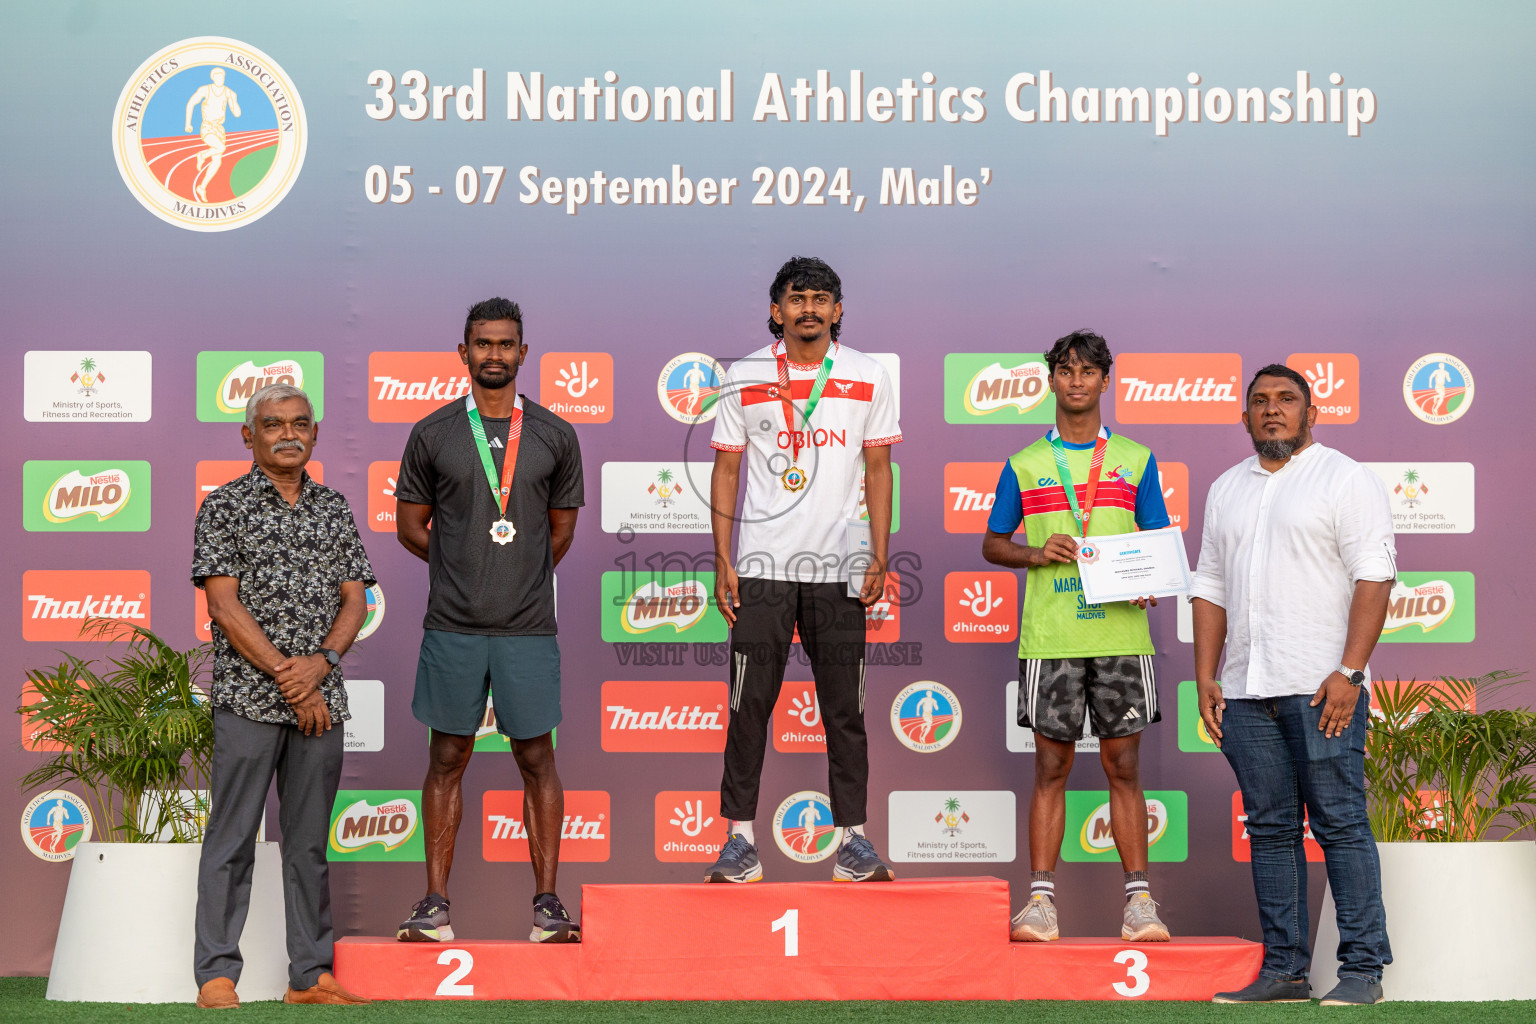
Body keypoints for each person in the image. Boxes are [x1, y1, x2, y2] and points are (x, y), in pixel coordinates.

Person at [1193, 364, 1396, 1006]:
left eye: (1286, 400)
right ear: (1244, 417)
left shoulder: (1345, 478)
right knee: (1273, 828)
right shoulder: (1226, 488)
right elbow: (1211, 588)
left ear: (1312, 413)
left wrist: (1352, 672)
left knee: (1339, 821)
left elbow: (1374, 576)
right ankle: (1285, 970)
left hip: (1322, 687)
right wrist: (1205, 674)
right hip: (1246, 691)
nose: (1272, 410)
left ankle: (1363, 972)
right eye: (1260, 402)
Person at [393, 297, 584, 943]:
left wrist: (517, 576)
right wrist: (462, 570)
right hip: (453, 624)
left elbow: (560, 533)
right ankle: (435, 906)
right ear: (464, 352)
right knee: (448, 754)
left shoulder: (556, 435)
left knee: (537, 755)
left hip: (528, 627)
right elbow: (409, 527)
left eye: (506, 344)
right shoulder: (433, 433)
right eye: (483, 343)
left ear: (523, 353)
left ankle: (548, 906)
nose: (494, 354)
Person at [706, 256, 901, 883]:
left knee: (845, 709)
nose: (809, 309)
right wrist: (723, 558)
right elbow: (728, 470)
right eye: (797, 299)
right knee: (749, 706)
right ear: (777, 309)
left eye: (821, 299)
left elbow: (877, 469)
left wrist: (879, 553)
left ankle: (854, 842)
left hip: (840, 565)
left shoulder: (868, 374)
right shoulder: (745, 374)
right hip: (762, 564)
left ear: (838, 310)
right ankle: (739, 841)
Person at [980, 330, 1172, 943]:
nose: (1078, 380)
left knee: (1124, 765)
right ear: (1051, 380)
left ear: (1105, 381)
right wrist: (1036, 553)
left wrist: (1149, 578)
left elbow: (1157, 544)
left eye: (1089, 371)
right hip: (1050, 636)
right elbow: (991, 543)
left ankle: (1140, 904)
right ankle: (1040, 904)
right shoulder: (1025, 463)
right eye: (1066, 370)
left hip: (1122, 633)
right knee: (1050, 767)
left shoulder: (1137, 459)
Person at [192, 383, 375, 1009]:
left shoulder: (335, 508)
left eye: (299, 423)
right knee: (232, 837)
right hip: (249, 698)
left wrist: (319, 666)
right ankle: (216, 974)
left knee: (307, 844)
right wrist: (286, 676)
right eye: (272, 424)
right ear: (250, 436)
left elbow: (356, 598)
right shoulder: (223, 507)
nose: (287, 433)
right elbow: (222, 603)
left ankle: (311, 975)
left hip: (321, 701)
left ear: (315, 434)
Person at [184, 68, 241, 203]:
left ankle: (202, 187)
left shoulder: (229, 92)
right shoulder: (205, 90)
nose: (220, 79)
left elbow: (237, 114)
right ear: (213, 78)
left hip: (220, 129)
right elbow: (191, 103)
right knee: (221, 148)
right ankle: (202, 155)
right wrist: (188, 123)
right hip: (207, 126)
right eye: (217, 76)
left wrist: (234, 99)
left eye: (222, 76)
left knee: (217, 161)